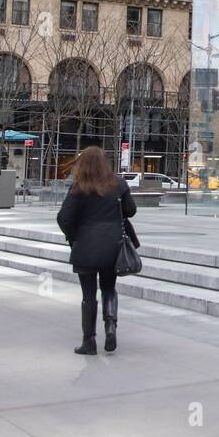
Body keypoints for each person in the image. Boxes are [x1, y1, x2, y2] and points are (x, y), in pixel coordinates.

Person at [56, 147, 137, 355]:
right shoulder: (118, 184)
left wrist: (76, 236)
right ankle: (110, 328)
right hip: (113, 246)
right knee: (109, 288)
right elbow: (131, 210)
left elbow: (63, 218)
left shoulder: (78, 188)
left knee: (88, 296)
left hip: (85, 247)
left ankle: (89, 341)